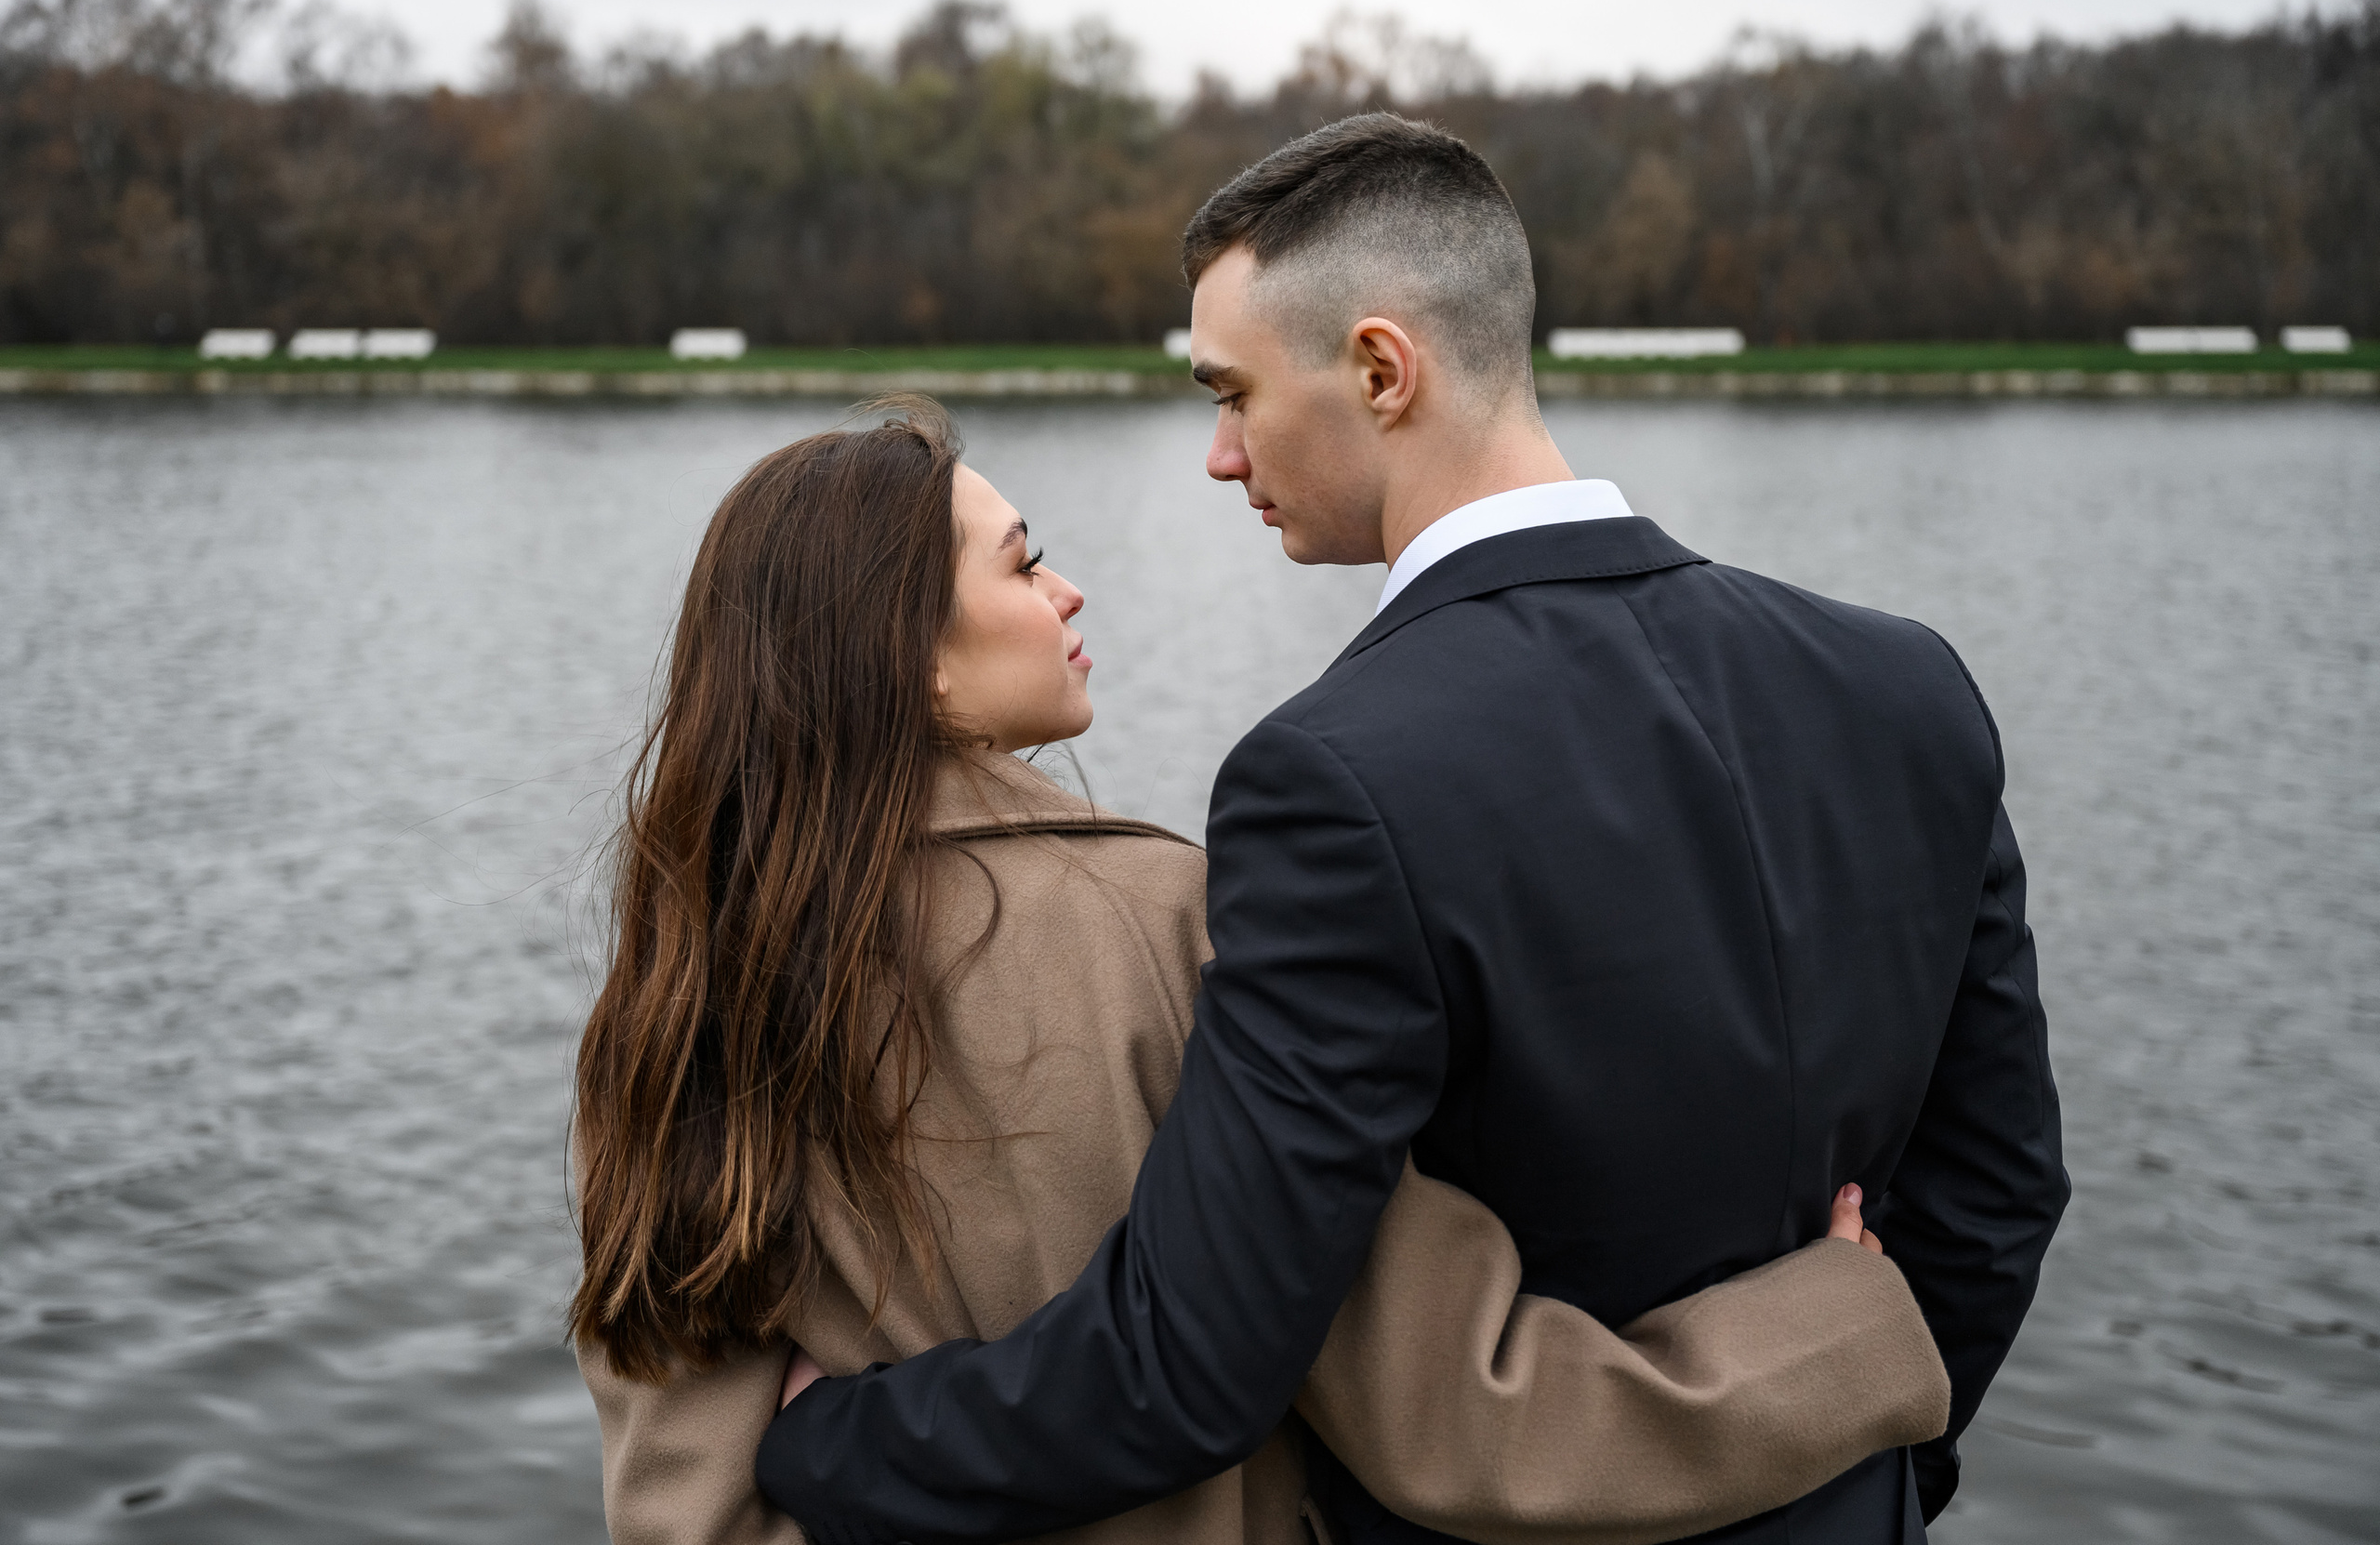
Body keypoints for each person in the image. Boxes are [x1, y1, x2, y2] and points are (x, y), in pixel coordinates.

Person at [754, 116, 2069, 1545]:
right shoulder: (1908, 687)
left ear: (1382, 371)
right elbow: (1999, 1194)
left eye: (1234, 394)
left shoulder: (1333, 781)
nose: (1218, 456)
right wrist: (1879, 1484)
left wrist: (822, 1445)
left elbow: (1189, 1361)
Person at [568, 401, 1953, 1545]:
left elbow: (684, 1496)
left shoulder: (675, 992)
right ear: (913, 665)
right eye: (1023, 564)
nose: (1067, 589)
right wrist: (1838, 1336)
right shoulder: (1172, 929)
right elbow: (1448, 1408)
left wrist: (825, 1447)